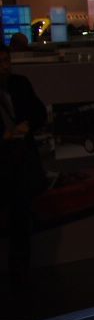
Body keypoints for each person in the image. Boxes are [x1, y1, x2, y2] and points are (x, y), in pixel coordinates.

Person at [0, 43, 48, 284]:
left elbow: (40, 113)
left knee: (21, 223)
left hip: (20, 166)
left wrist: (28, 125)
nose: (5, 67)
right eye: (1, 62)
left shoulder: (20, 84)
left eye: (7, 61)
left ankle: (20, 277)